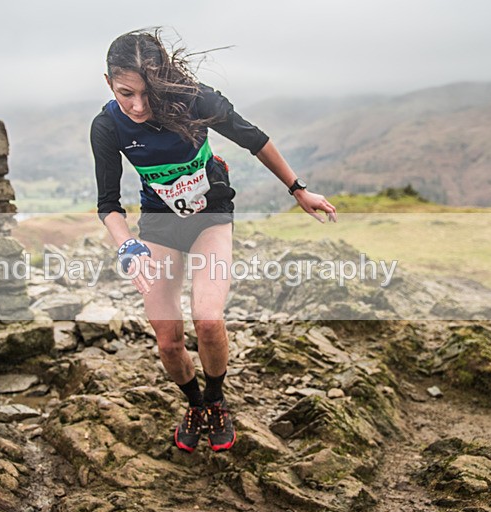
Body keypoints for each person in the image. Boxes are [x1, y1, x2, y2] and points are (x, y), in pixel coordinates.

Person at [90, 29, 337, 453]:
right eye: (126, 93)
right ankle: (194, 404)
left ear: (163, 79)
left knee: (207, 321)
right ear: (108, 83)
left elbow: (254, 139)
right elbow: (108, 205)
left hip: (212, 216)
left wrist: (298, 189)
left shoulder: (195, 99)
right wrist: (127, 245)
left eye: (147, 93)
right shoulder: (107, 126)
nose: (138, 105)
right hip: (159, 224)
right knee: (167, 339)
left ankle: (216, 399)